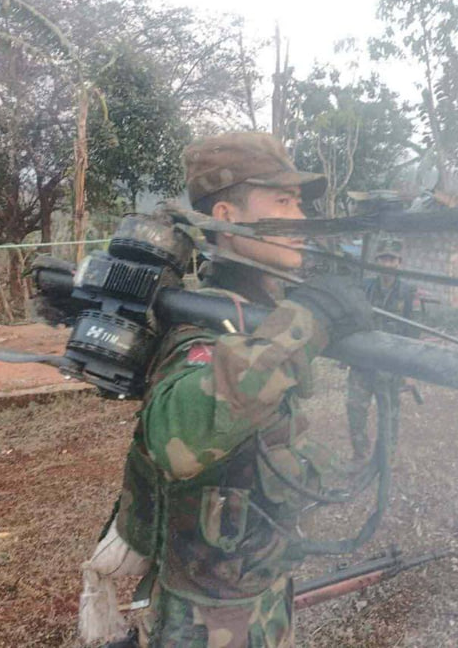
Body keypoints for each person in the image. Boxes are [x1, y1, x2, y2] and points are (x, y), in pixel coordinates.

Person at [79, 132, 374, 647]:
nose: (300, 219)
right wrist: (306, 323)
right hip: (208, 614)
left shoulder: (258, 312)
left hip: (257, 586)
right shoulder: (206, 322)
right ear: (227, 216)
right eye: (282, 202)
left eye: (299, 203)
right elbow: (179, 440)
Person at [344, 237, 417, 463]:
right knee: (355, 408)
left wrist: (410, 371)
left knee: (389, 413)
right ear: (377, 261)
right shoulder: (365, 287)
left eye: (391, 259)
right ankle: (360, 455)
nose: (387, 264)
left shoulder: (407, 291)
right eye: (383, 259)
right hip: (363, 360)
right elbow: (352, 320)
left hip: (390, 363)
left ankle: (387, 458)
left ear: (399, 263)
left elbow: (412, 332)